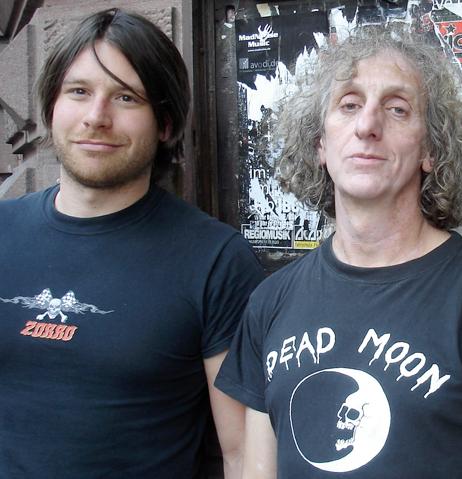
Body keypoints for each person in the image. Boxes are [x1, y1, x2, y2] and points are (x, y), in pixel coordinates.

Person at [215, 26, 462, 478]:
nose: (367, 125)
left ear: (430, 149)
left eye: (397, 108)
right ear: (320, 143)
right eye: (349, 105)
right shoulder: (271, 302)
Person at [0, 8, 265, 478]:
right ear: (51, 107)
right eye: (79, 92)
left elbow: (243, 455)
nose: (96, 117)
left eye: (125, 97)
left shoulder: (214, 261)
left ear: (165, 124)